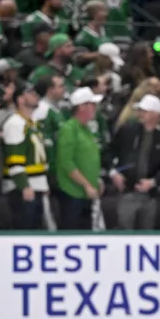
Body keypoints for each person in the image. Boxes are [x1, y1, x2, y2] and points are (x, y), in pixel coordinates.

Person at [108, 94, 160, 230]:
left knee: (147, 233)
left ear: (155, 114)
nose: (140, 113)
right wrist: (113, 173)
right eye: (140, 110)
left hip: (149, 196)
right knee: (124, 231)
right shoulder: (127, 130)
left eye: (144, 111)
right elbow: (109, 152)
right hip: (126, 192)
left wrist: (153, 182)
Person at [2, 81, 50, 230]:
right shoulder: (15, 124)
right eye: (30, 93)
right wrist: (24, 185)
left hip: (37, 186)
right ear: (20, 99)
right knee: (26, 230)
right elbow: (14, 159)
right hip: (24, 189)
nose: (35, 96)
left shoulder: (32, 124)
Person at [55, 87, 104, 230]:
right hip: (72, 193)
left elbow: (89, 159)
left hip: (86, 194)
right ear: (82, 107)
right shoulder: (69, 129)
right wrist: (86, 185)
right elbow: (66, 162)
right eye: (92, 104)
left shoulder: (86, 129)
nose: (95, 108)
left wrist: (96, 180)